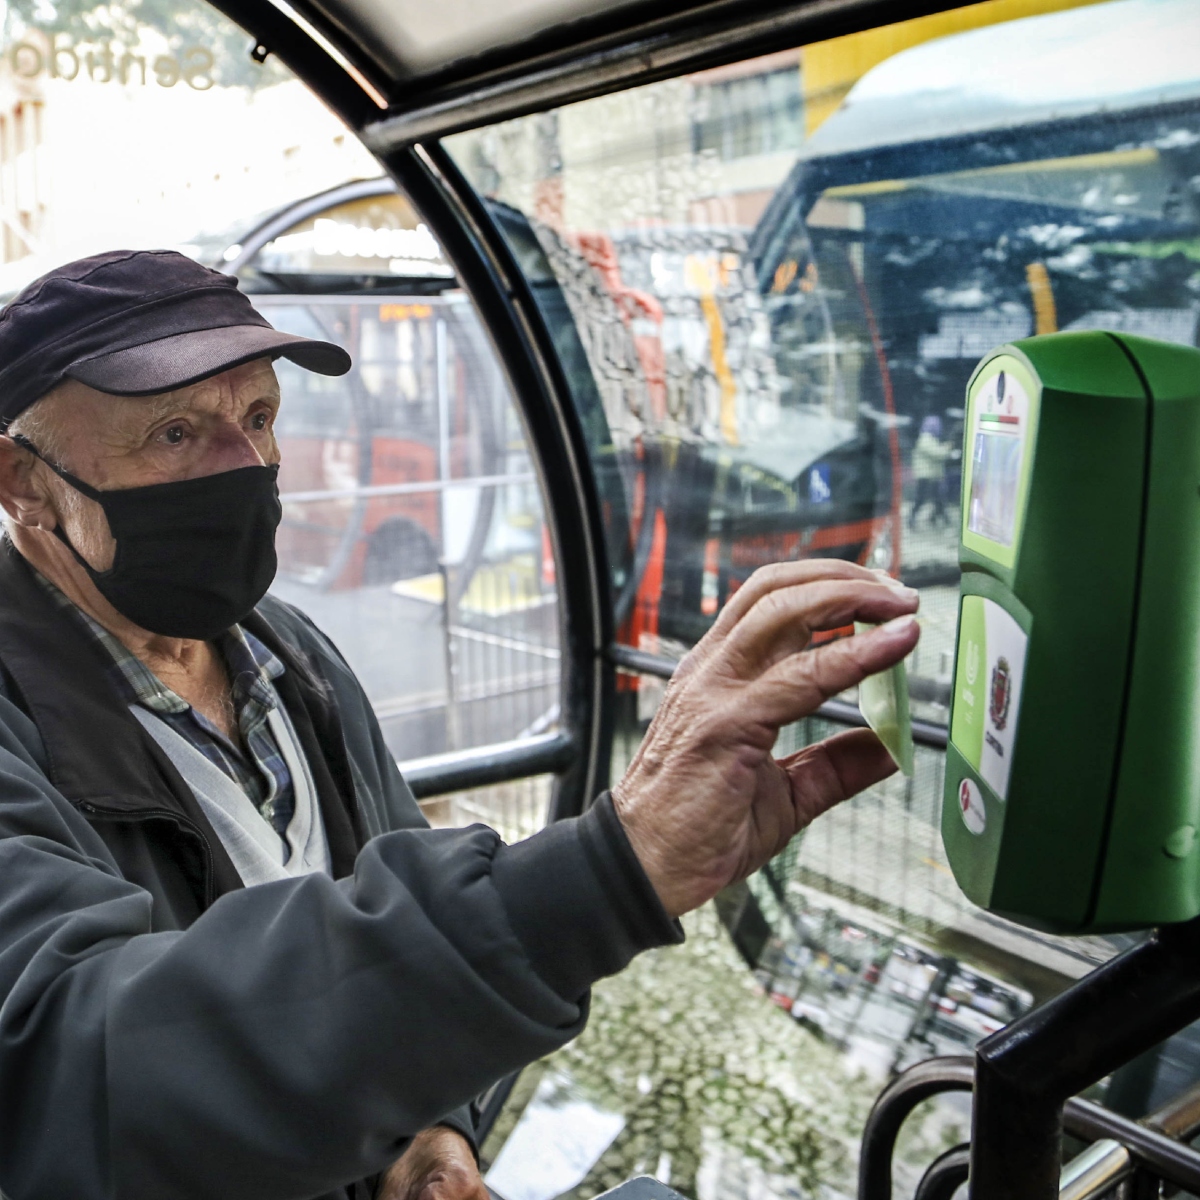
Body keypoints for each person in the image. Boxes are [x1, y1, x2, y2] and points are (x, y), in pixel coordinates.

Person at [0, 250, 920, 1200]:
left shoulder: (286, 658)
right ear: (24, 482)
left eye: (262, 417)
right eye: (177, 432)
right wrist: (612, 866)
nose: (247, 469)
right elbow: (71, 1060)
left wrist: (431, 1126)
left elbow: (389, 906)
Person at [909, 414, 956, 531]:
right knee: (921, 499)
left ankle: (938, 519)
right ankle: (912, 519)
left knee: (938, 499)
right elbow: (937, 453)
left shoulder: (931, 439)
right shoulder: (925, 439)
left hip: (933, 476)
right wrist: (947, 448)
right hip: (925, 476)